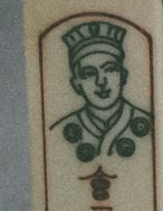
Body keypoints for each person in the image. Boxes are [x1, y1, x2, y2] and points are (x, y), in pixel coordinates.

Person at [51, 19, 151, 162]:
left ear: (123, 75)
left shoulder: (148, 124)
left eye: (110, 69)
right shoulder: (58, 132)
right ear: (76, 85)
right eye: (89, 73)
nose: (101, 81)